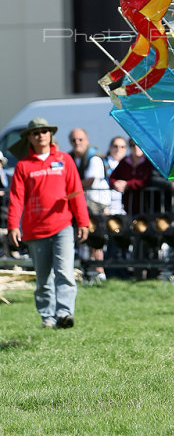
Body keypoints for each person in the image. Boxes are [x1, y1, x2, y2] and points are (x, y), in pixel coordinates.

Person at [7, 118, 89, 328]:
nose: (41, 135)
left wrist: (83, 221)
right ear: (29, 138)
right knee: (43, 279)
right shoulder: (23, 166)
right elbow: (16, 198)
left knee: (65, 273)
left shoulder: (65, 160)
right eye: (36, 133)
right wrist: (13, 225)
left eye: (45, 131)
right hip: (35, 229)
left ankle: (64, 313)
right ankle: (47, 318)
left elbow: (76, 192)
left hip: (62, 226)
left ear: (50, 135)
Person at [69, 127, 110, 281]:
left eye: (80, 139)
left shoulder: (94, 159)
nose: (77, 143)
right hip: (83, 204)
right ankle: (88, 271)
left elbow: (89, 181)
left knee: (96, 238)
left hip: (97, 204)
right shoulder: (72, 158)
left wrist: (69, 185)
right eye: (74, 140)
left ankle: (99, 271)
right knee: (86, 238)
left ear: (87, 140)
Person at [108, 139, 153, 215]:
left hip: (147, 205)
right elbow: (112, 178)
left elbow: (146, 180)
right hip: (128, 206)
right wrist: (115, 184)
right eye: (132, 145)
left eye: (138, 145)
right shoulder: (124, 162)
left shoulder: (148, 162)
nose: (136, 147)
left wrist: (127, 184)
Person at [102, 136, 129, 216]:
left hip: (124, 207)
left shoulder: (129, 164)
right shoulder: (103, 163)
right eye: (115, 146)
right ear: (110, 148)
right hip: (107, 207)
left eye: (122, 147)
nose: (118, 149)